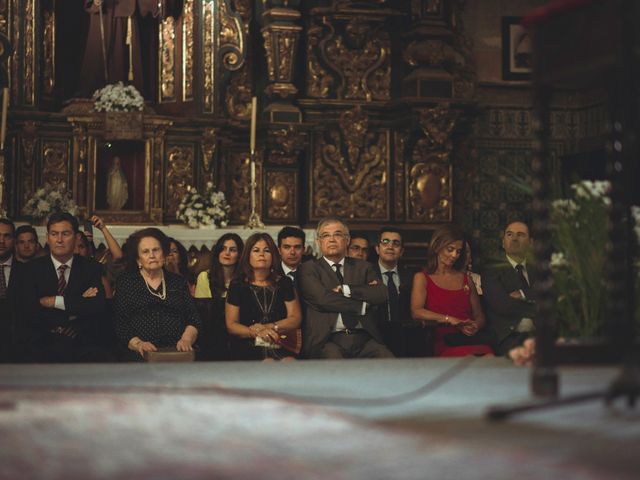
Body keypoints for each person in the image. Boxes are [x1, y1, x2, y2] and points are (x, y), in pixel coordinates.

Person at [17, 212, 113, 362]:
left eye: (65, 234)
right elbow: (28, 311)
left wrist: (55, 301)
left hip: (82, 343)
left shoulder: (91, 268)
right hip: (43, 343)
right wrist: (79, 302)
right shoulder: (30, 270)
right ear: (47, 238)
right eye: (54, 234)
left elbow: (97, 306)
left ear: (75, 237)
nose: (59, 240)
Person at [298, 217, 392, 359]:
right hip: (328, 340)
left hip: (365, 338)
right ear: (318, 242)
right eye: (325, 235)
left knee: (390, 363)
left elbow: (381, 293)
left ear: (347, 240)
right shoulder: (308, 269)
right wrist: (361, 305)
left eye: (337, 234)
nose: (331, 239)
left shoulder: (363, 267)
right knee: (337, 370)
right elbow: (323, 299)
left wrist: (347, 290)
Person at [113, 227, 201, 361]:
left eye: (156, 250)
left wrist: (186, 339)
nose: (152, 255)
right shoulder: (126, 283)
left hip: (178, 349)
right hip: (140, 353)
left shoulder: (178, 282)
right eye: (145, 251)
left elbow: (193, 319)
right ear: (138, 259)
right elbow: (121, 324)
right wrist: (139, 344)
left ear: (164, 254)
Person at [410, 225, 493, 357]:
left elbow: (480, 316)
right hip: (445, 340)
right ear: (437, 247)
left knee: (490, 359)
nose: (454, 255)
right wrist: (449, 319)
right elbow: (416, 312)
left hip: (470, 339)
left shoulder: (466, 279)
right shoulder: (422, 278)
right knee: (469, 361)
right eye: (450, 249)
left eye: (458, 251)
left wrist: (475, 326)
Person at [78, 1, 183, 97]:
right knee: (98, 55)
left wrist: (157, 4)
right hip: (106, 12)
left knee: (125, 59)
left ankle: (127, 96)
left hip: (127, 13)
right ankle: (96, 93)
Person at [225, 233, 302, 361]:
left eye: (267, 251)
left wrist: (269, 328)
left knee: (290, 362)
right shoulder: (237, 285)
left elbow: (295, 318)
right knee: (268, 363)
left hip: (279, 340)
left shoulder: (284, 282)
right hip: (248, 343)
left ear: (273, 256)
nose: (261, 254)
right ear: (248, 255)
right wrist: (256, 332)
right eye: (256, 250)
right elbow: (231, 325)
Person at [482, 220, 537, 356]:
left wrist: (523, 293)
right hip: (509, 337)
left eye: (520, 235)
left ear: (531, 242)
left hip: (541, 334)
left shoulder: (540, 269)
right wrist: (538, 305)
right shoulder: (491, 270)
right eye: (509, 234)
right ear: (503, 242)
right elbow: (502, 305)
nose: (514, 239)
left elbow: (553, 297)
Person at [372, 226, 422, 357]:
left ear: (401, 251)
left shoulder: (412, 277)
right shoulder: (366, 274)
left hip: (406, 338)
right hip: (375, 336)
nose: (390, 246)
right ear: (377, 249)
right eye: (385, 242)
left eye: (396, 243)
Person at [194, 233, 243, 360]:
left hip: (239, 334)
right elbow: (203, 314)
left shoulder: (244, 280)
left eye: (232, 250)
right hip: (212, 335)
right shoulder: (204, 277)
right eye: (223, 249)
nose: (227, 253)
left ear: (239, 255)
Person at [0, 219, 26, 362]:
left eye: (7, 236)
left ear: (14, 240)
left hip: (16, 344)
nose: (1, 241)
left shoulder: (26, 272)